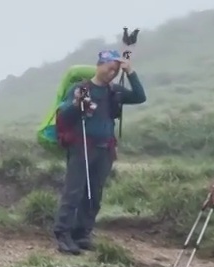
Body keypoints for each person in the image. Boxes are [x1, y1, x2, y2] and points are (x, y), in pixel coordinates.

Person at [52, 49, 147, 255]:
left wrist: (130, 72)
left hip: (105, 148)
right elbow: (64, 115)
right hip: (82, 146)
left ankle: (82, 234)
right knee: (74, 191)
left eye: (114, 69)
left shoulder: (115, 91)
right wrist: (77, 104)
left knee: (94, 193)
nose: (111, 72)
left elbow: (140, 97)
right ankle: (63, 234)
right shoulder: (83, 88)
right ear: (99, 65)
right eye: (108, 67)